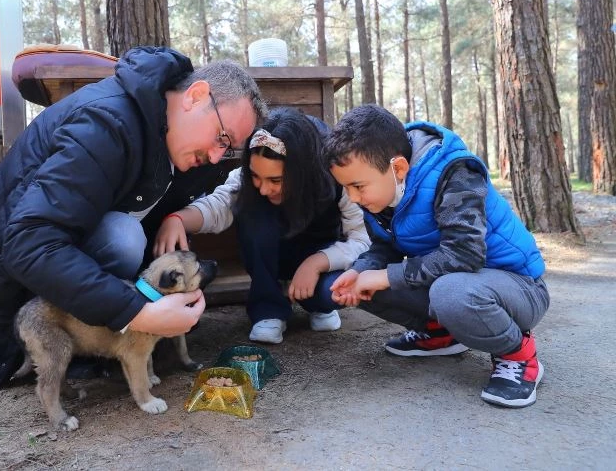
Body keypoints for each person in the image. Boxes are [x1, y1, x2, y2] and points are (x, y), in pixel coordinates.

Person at [0, 46, 267, 392]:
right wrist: (137, 313)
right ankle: (63, 342)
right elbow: (29, 244)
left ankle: (88, 344)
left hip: (42, 273)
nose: (219, 157)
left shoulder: (171, 137)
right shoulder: (106, 124)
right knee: (123, 237)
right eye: (222, 137)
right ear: (195, 96)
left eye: (228, 147)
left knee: (126, 235)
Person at [324, 104, 549, 408]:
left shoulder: (455, 174)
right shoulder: (380, 191)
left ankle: (518, 354)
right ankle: (440, 334)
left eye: (357, 186)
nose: (352, 197)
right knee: (362, 283)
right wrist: (362, 269)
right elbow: (384, 246)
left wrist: (387, 275)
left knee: (449, 293)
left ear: (399, 168)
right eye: (346, 187)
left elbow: (464, 255)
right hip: (457, 282)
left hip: (518, 288)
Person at [154, 107, 370, 344]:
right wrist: (179, 219)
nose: (264, 189)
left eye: (275, 180)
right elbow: (219, 204)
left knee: (329, 294)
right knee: (254, 213)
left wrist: (317, 263)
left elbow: (361, 240)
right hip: (269, 257)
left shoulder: (336, 174)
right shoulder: (248, 178)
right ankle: (268, 307)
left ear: (302, 172)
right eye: (256, 176)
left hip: (320, 254)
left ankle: (316, 303)